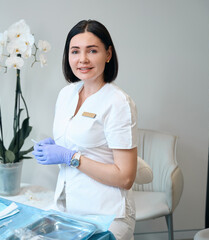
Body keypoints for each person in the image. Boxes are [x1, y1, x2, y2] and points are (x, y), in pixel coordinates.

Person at [32, 19, 137, 240]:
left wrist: (71, 156)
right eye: (75, 51)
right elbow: (81, 140)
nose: (83, 59)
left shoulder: (117, 103)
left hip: (106, 215)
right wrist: (55, 147)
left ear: (108, 54)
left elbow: (126, 177)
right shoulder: (66, 94)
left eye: (92, 51)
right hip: (66, 208)